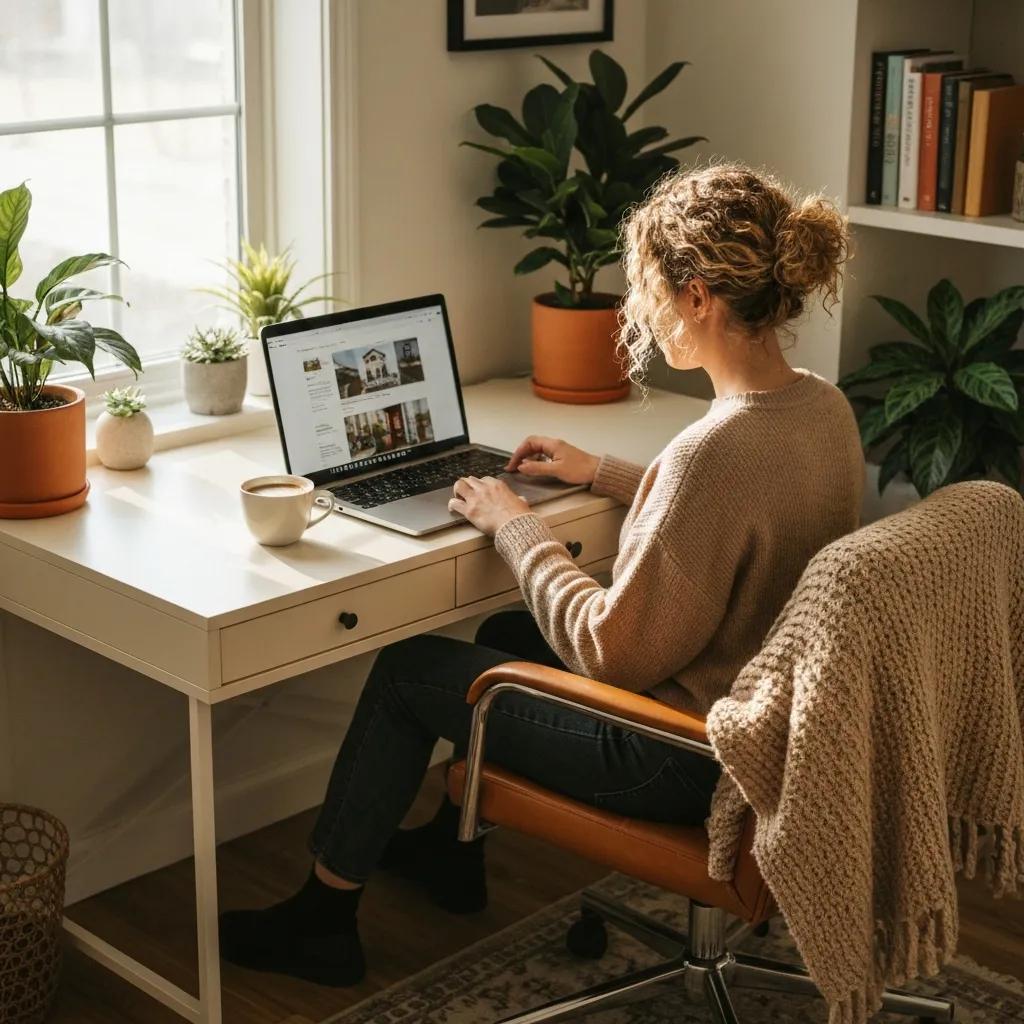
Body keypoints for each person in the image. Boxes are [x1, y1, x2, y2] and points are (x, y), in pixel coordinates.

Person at [219, 163, 865, 986]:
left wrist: (517, 528)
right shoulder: (821, 409)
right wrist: (605, 473)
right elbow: (749, 525)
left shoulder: (715, 451)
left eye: (650, 288)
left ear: (698, 296)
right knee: (503, 635)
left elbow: (611, 653)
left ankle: (322, 920)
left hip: (682, 755)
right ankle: (453, 858)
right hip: (760, 733)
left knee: (407, 670)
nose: (642, 308)